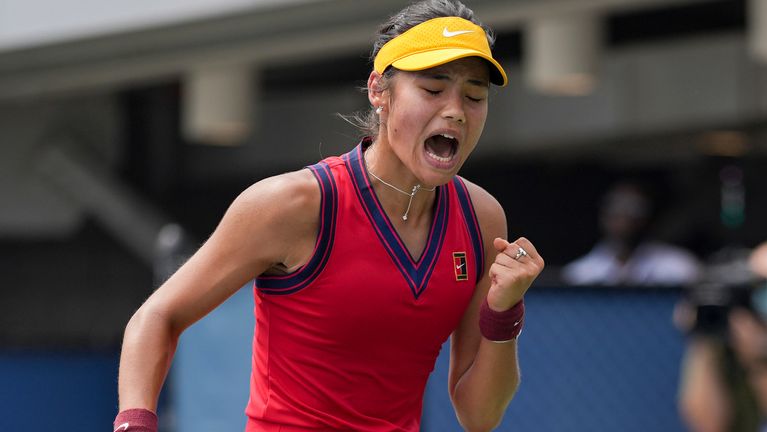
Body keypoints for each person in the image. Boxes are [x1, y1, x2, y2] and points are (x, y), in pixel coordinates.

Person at [114, 1, 545, 431]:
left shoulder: (482, 220)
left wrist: (503, 312)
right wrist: (136, 422)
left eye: (474, 96)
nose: (455, 110)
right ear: (379, 91)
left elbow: (479, 415)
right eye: (433, 90)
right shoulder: (294, 204)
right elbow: (157, 317)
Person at [675, 241, 767, 432]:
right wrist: (704, 342)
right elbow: (708, 425)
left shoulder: (754, 352)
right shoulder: (730, 345)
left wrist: (758, 362)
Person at [561, 181, 701, 286]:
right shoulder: (581, 273)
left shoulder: (679, 266)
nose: (623, 217)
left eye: (634, 209)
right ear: (603, 215)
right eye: (616, 208)